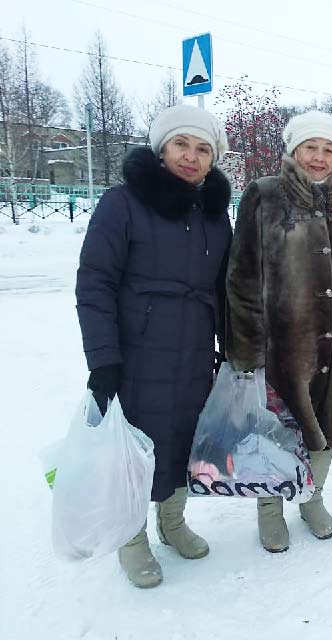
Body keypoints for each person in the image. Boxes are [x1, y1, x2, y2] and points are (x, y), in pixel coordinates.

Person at [75, 104, 232, 587]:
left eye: (203, 149)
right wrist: (103, 360)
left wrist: (232, 348)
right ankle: (132, 536)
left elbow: (226, 289)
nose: (191, 156)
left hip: (194, 356)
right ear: (162, 149)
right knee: (134, 450)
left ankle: (173, 522)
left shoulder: (214, 215)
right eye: (181, 145)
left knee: (184, 440)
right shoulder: (123, 204)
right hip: (135, 355)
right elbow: (95, 283)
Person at [226, 111, 332, 553]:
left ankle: (312, 498)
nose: (318, 157)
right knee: (277, 430)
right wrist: (247, 348)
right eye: (310, 147)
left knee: (328, 425)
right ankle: (269, 510)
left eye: (327, 149)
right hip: (283, 347)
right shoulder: (264, 195)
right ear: (293, 151)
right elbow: (242, 275)